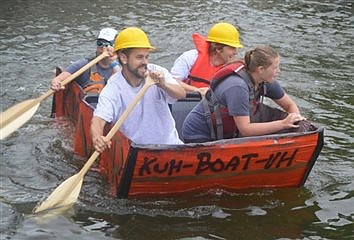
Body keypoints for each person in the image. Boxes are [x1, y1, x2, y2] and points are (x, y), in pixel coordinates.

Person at [182, 45, 307, 143]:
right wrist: (283, 123)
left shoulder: (266, 81)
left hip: (226, 133)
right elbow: (245, 129)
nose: (278, 71)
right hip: (199, 134)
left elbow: (289, 105)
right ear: (261, 69)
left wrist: (297, 120)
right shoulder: (238, 87)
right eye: (275, 68)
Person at [90, 27, 186, 152]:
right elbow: (98, 119)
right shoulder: (113, 87)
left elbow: (181, 94)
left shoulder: (157, 72)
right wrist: (97, 137)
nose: (145, 62)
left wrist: (163, 85)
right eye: (139, 57)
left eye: (146, 57)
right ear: (124, 58)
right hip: (137, 153)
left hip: (171, 147)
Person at [170, 22, 243, 96]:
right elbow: (172, 81)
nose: (235, 52)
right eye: (232, 48)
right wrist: (197, 90)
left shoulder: (232, 69)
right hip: (186, 100)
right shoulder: (190, 57)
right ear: (218, 48)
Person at [51, 27, 120, 93]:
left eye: (108, 44)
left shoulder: (122, 69)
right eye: (100, 43)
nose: (103, 47)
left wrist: (114, 64)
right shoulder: (83, 65)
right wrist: (56, 83)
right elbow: (58, 79)